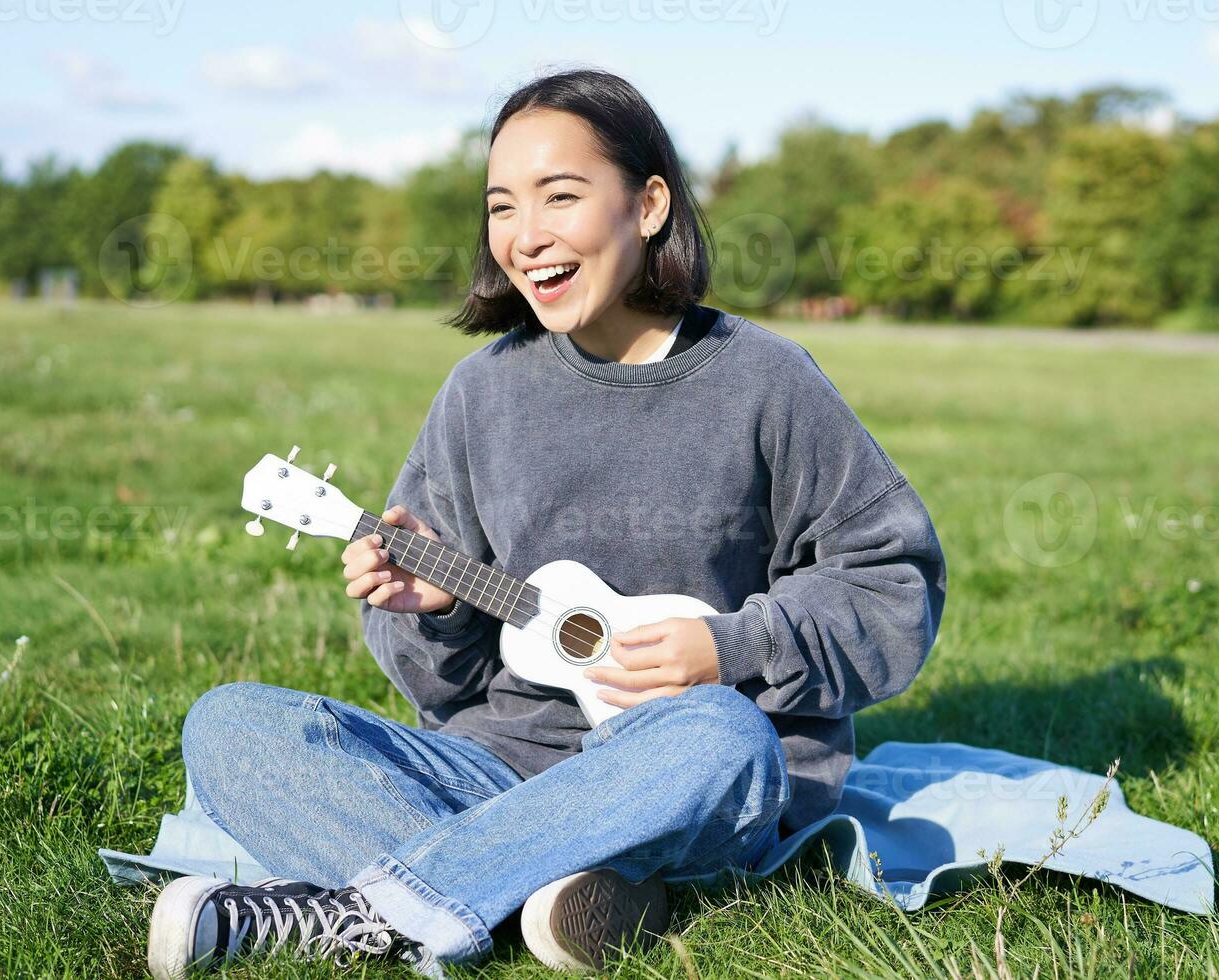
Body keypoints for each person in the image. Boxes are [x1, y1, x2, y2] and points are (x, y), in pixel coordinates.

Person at [148, 68, 945, 977]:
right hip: (499, 770)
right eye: (500, 207)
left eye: (559, 196)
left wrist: (732, 647)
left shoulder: (764, 382)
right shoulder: (481, 392)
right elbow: (438, 693)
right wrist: (436, 611)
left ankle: (367, 907)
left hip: (687, 776)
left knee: (718, 734)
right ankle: (555, 891)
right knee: (230, 727)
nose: (526, 237)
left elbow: (894, 588)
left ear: (647, 205)